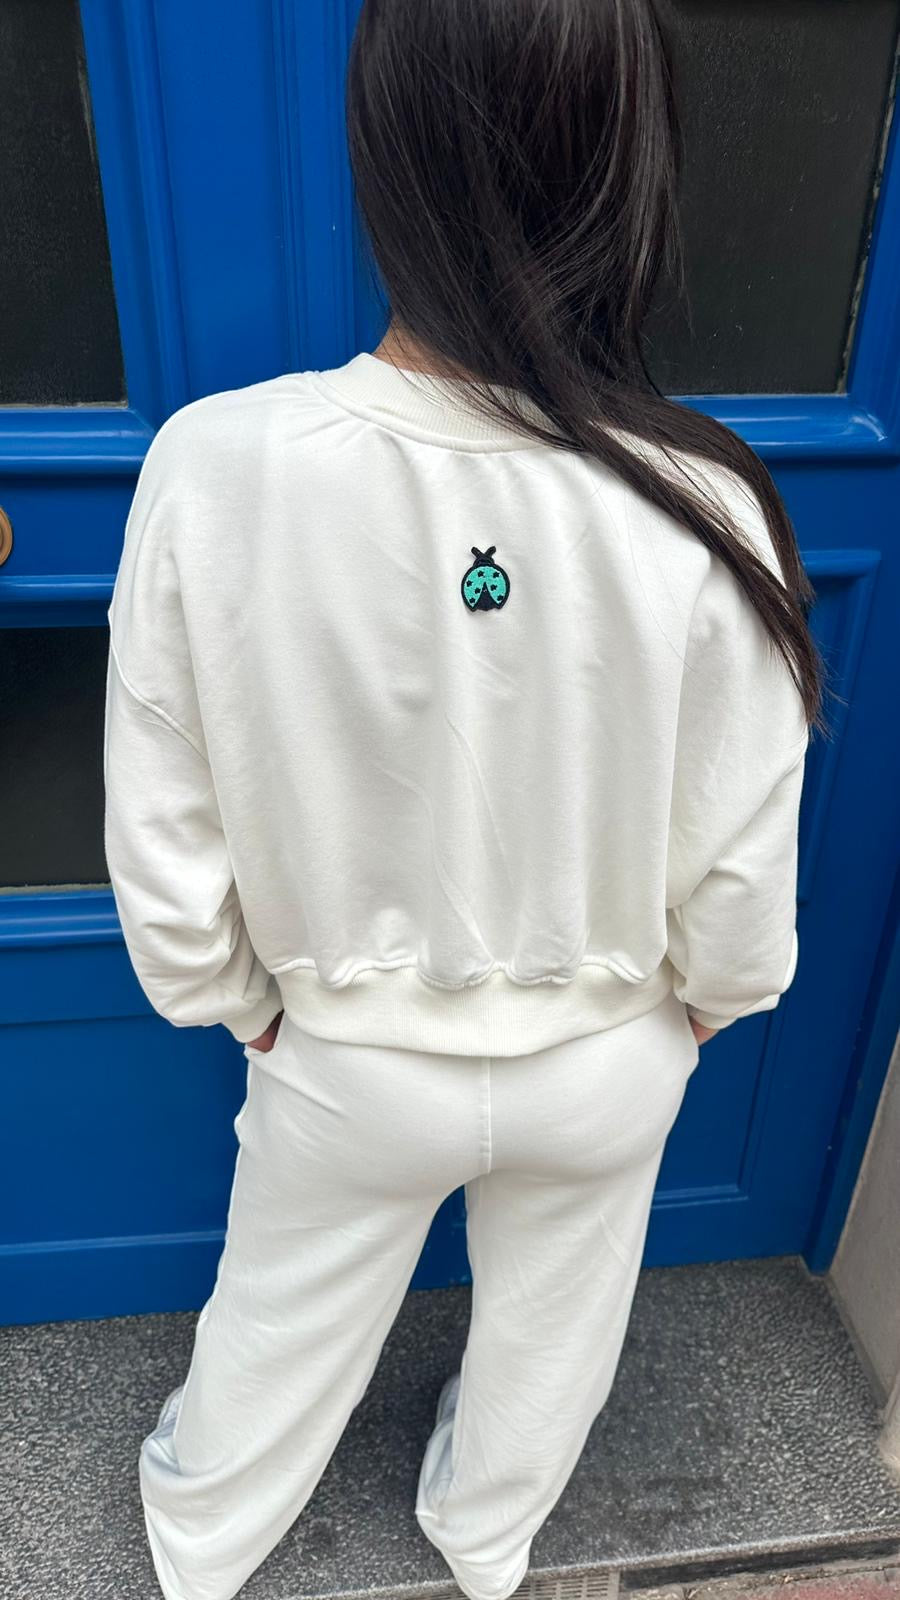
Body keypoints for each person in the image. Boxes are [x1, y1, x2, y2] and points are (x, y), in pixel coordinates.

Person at [103, 2, 827, 1598]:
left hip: (348, 1056)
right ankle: (487, 1539)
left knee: (275, 1320)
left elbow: (165, 811)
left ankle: (201, 1539)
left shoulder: (221, 466)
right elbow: (741, 848)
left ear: (386, 151)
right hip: (608, 1049)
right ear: (631, 166)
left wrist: (236, 1003)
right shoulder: (708, 503)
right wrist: (706, 1006)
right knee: (558, 1333)